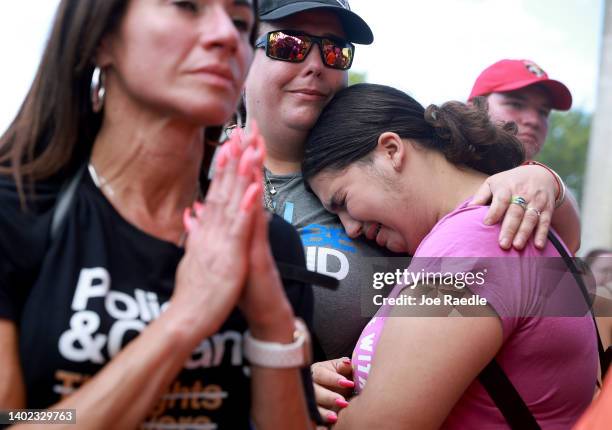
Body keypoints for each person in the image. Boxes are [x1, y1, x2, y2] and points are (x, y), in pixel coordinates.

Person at [244, 1, 582, 423]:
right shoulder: (192, 167)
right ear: (242, 49)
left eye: (334, 50)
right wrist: (271, 383)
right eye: (289, 44)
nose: (314, 64)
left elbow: (561, 278)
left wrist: (545, 181)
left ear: (392, 149)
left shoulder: (461, 217)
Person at [0, 0, 318, 428]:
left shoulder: (269, 242)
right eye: (187, 6)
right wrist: (185, 318)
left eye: (241, 21)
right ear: (101, 39)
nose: (226, 35)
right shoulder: (16, 210)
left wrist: (269, 319)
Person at [302, 83, 598, 429]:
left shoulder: (473, 243)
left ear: (391, 150)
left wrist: (288, 395)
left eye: (342, 201)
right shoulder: (483, 230)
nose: (349, 228)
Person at [468, 58, 573, 160]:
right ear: (473, 108)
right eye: (516, 104)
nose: (534, 121)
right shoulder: (451, 169)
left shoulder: (540, 176)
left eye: (543, 112)